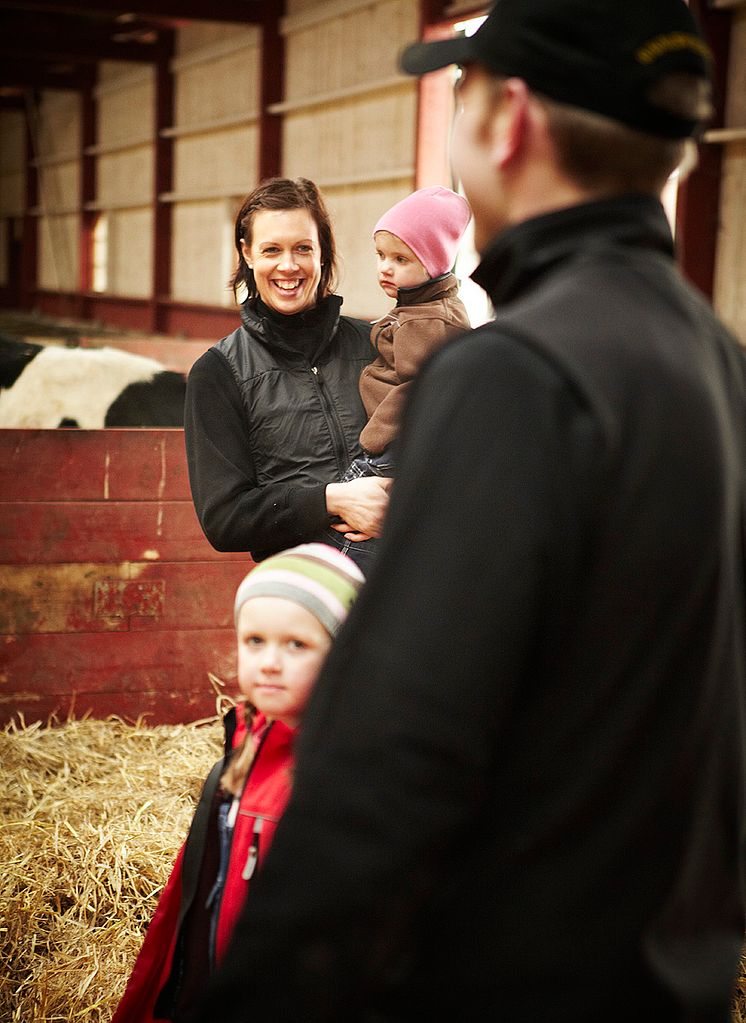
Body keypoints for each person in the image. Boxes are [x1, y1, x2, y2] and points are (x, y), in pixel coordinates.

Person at [193, 1, 746, 1020]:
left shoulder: (511, 377)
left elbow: (392, 752)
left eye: (462, 99)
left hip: (515, 973)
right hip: (666, 973)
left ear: (510, 119)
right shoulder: (714, 362)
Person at [111, 544, 364, 1023]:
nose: (269, 662)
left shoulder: (340, 775)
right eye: (254, 641)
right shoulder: (243, 752)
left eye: (297, 644)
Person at [184, 177, 391, 569]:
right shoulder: (218, 373)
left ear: (323, 253)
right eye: (271, 250)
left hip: (397, 573)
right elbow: (225, 518)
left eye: (303, 249)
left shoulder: (376, 345)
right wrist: (332, 500)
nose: (288, 265)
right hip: (305, 591)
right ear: (246, 254)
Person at [342, 186, 471, 481]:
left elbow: (418, 388)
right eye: (381, 255)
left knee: (346, 510)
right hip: (399, 442)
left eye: (401, 259)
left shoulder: (426, 321)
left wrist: (373, 442)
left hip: (394, 448)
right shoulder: (421, 307)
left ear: (433, 263)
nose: (385, 268)